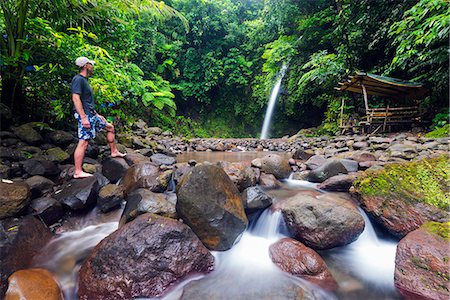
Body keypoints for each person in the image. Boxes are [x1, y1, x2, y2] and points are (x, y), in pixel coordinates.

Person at [71, 56, 125, 179]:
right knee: (84, 141)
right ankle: (77, 171)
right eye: (91, 64)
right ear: (86, 66)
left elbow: (86, 101)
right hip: (85, 116)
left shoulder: (85, 80)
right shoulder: (78, 79)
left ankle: (114, 151)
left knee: (110, 127)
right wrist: (83, 117)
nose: (92, 67)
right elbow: (75, 98)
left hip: (91, 115)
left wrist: (96, 114)